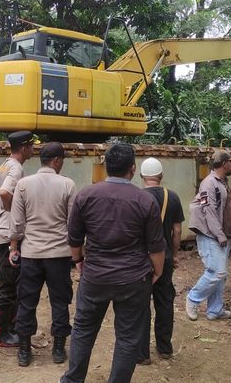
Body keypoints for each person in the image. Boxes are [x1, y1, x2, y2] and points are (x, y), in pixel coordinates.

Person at [61, 143, 165, 383]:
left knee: (83, 331)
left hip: (95, 276)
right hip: (133, 280)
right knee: (128, 337)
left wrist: (78, 261)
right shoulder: (145, 201)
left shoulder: (86, 195)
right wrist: (157, 272)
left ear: (106, 166)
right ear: (132, 168)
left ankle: (72, 380)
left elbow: (74, 239)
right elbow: (156, 246)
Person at [9, 142, 76, 367]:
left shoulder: (24, 184)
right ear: (56, 160)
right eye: (62, 160)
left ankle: (25, 350)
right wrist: (78, 254)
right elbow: (72, 223)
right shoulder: (68, 184)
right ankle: (58, 349)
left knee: (27, 301)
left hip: (31, 254)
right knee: (60, 301)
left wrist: (14, 248)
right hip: (59, 253)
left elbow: (17, 222)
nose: (62, 164)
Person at [0, 130, 35, 347]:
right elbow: (4, 193)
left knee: (12, 283)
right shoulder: (15, 168)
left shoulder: (4, 164)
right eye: (32, 146)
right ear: (24, 148)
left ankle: (10, 328)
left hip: (0, 231)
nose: (34, 149)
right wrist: (15, 211)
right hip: (8, 234)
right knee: (9, 285)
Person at [137, 157, 184, 364]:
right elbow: (177, 230)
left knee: (141, 305)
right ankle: (165, 348)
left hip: (141, 260)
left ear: (141, 176)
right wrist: (174, 255)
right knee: (164, 302)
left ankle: (142, 354)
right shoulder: (171, 197)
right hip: (163, 258)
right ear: (161, 176)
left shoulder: (136, 197)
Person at [186, 150, 231, 321]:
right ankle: (193, 298)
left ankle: (215, 310)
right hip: (211, 235)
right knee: (217, 272)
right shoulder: (208, 184)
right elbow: (208, 211)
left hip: (221, 234)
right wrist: (219, 235)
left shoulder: (221, 182)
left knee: (221, 276)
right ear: (224, 164)